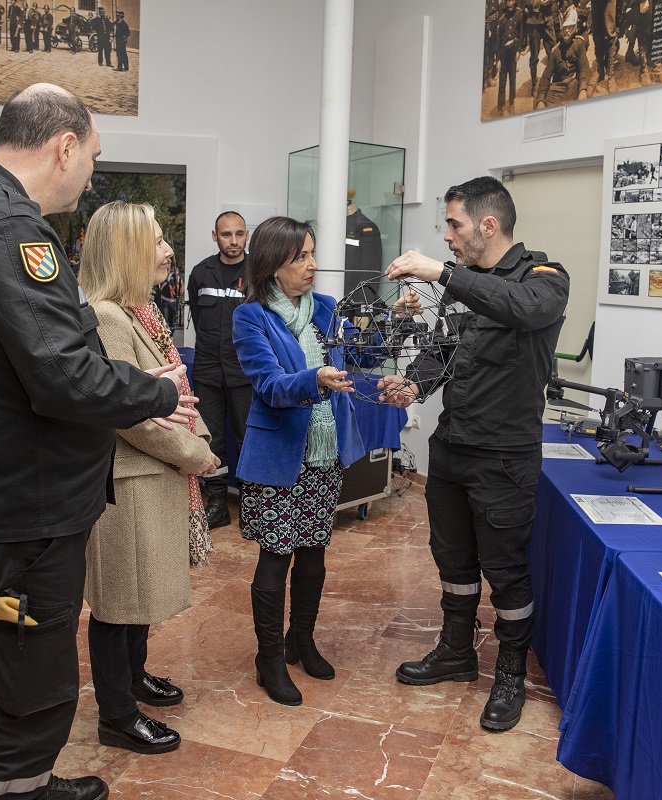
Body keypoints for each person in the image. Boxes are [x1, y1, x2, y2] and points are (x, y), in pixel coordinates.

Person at [0, 83, 195, 800]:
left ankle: (24, 781)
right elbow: (63, 376)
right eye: (93, 157)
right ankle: (14, 789)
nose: (89, 175)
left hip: (20, 493)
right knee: (32, 665)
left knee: (31, 662)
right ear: (63, 145)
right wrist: (159, 390)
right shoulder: (7, 227)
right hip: (24, 504)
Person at [376, 176, 569, 732]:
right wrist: (414, 384)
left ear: (488, 225)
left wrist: (444, 275)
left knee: (505, 571)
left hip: (503, 457)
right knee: (453, 563)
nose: (447, 235)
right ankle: (456, 651)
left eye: (454, 224)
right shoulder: (466, 286)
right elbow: (443, 350)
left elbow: (522, 311)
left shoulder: (543, 278)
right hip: (452, 449)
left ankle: (509, 673)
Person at [232, 217, 396, 707]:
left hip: (323, 456)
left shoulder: (327, 309)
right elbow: (268, 386)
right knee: (275, 558)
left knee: (314, 554)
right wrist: (315, 379)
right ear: (271, 265)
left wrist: (396, 315)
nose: (312, 265)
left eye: (312, 253)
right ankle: (269, 659)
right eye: (299, 256)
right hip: (280, 454)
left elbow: (369, 353)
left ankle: (301, 640)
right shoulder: (251, 318)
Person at [78, 201, 218, 755]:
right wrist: (196, 455)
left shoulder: (139, 310)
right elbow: (134, 418)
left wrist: (197, 438)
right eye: (157, 242)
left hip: (152, 479)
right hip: (129, 482)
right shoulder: (108, 317)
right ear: (126, 252)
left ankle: (134, 679)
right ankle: (116, 714)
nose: (167, 251)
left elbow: (176, 392)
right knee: (119, 602)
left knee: (139, 597)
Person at [187, 211, 251, 529]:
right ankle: (217, 503)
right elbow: (199, 319)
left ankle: (254, 504)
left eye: (239, 234)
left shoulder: (258, 274)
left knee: (249, 435)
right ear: (215, 237)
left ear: (246, 236)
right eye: (227, 235)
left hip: (246, 370)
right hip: (208, 370)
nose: (234, 241)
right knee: (211, 439)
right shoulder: (200, 274)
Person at [534, 7, 588, 108]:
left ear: (575, 28)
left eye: (570, 27)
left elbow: (583, 69)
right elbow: (546, 76)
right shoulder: (556, 51)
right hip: (558, 87)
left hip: (574, 83)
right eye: (565, 28)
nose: (567, 31)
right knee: (542, 105)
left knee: (585, 96)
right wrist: (541, 100)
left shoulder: (579, 44)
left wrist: (583, 90)